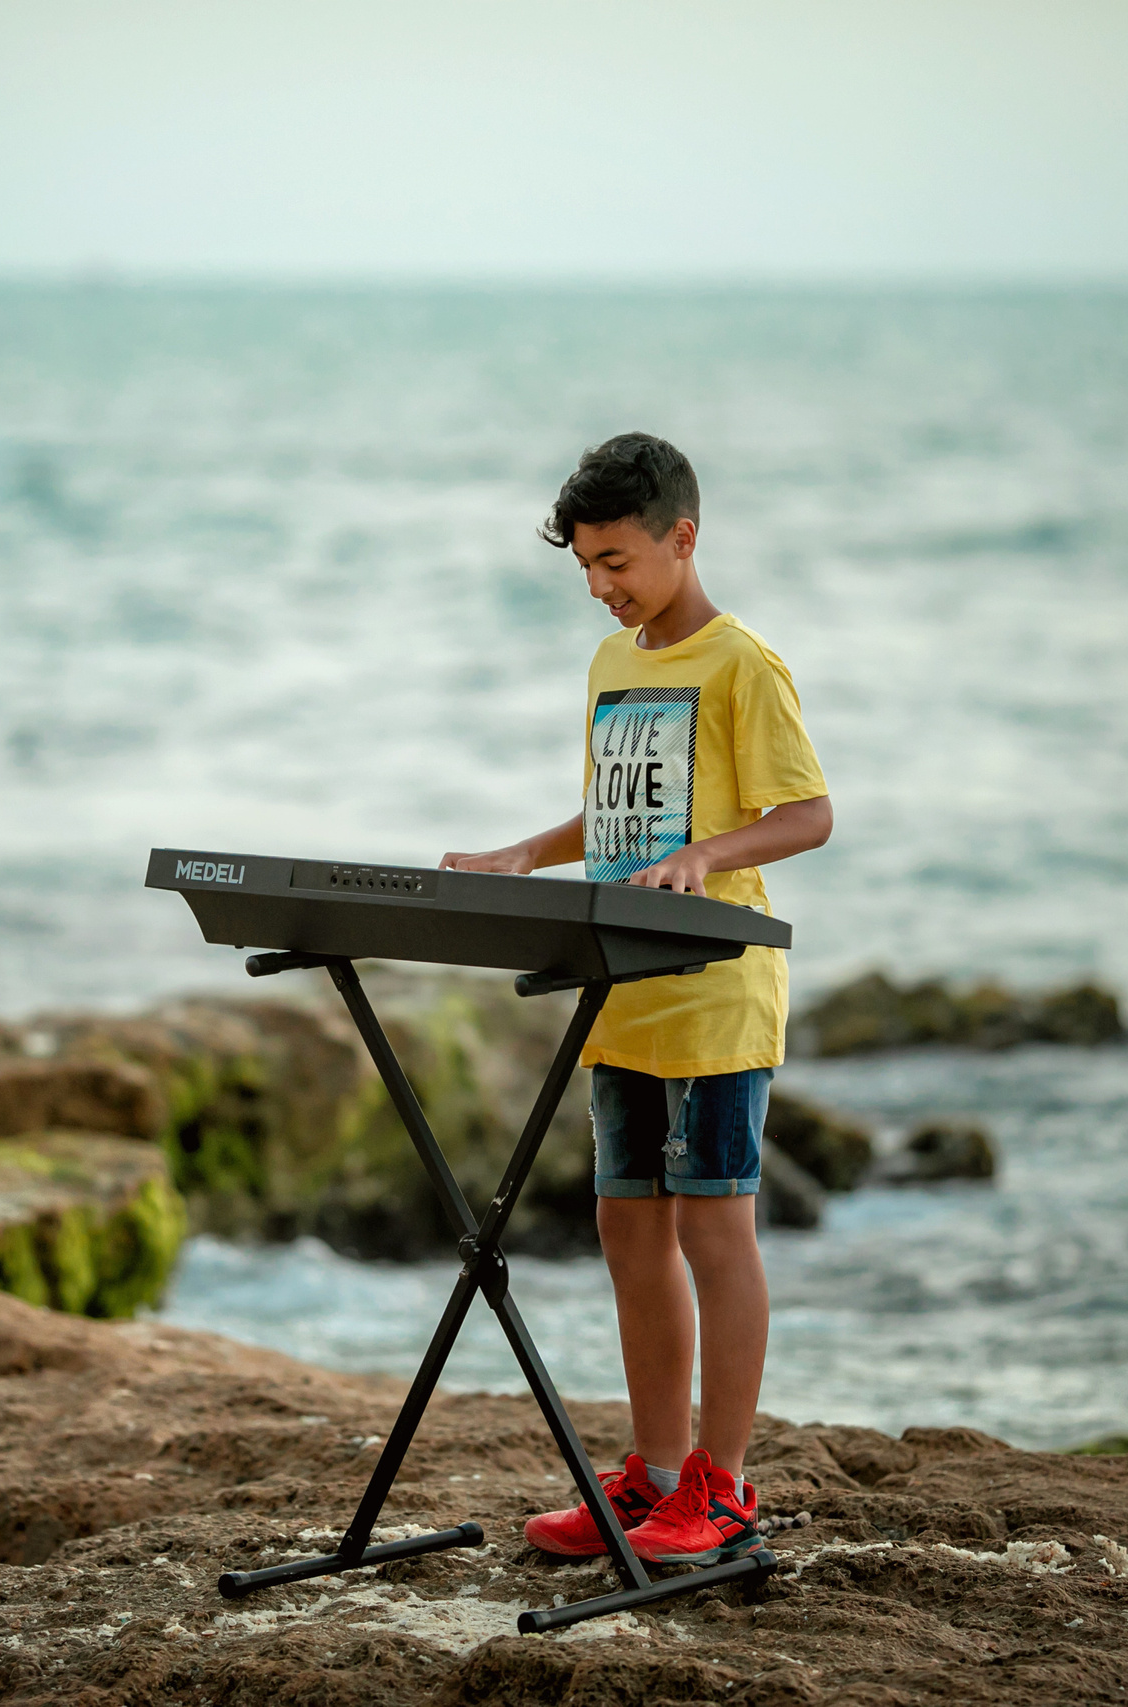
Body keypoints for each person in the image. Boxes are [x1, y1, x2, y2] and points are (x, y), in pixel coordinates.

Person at [440, 432, 831, 1566]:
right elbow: (618, 818)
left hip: (713, 995)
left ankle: (724, 1485)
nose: (600, 586)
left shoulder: (742, 664)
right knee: (627, 1231)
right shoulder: (613, 664)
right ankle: (656, 1477)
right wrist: (529, 851)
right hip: (620, 997)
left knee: (715, 1230)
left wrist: (707, 857)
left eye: (616, 561)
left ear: (682, 537)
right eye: (585, 567)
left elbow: (806, 813)